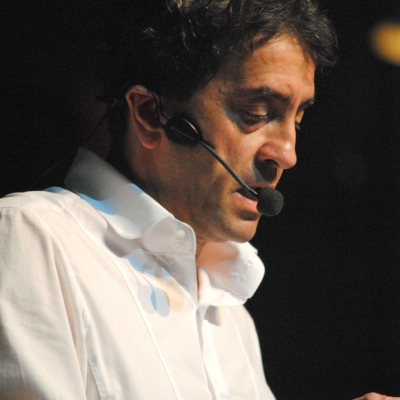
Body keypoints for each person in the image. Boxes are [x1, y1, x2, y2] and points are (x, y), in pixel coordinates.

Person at [1, 0, 374, 398]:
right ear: (150, 115)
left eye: (297, 120)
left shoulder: (231, 315)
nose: (287, 153)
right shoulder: (31, 238)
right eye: (257, 112)